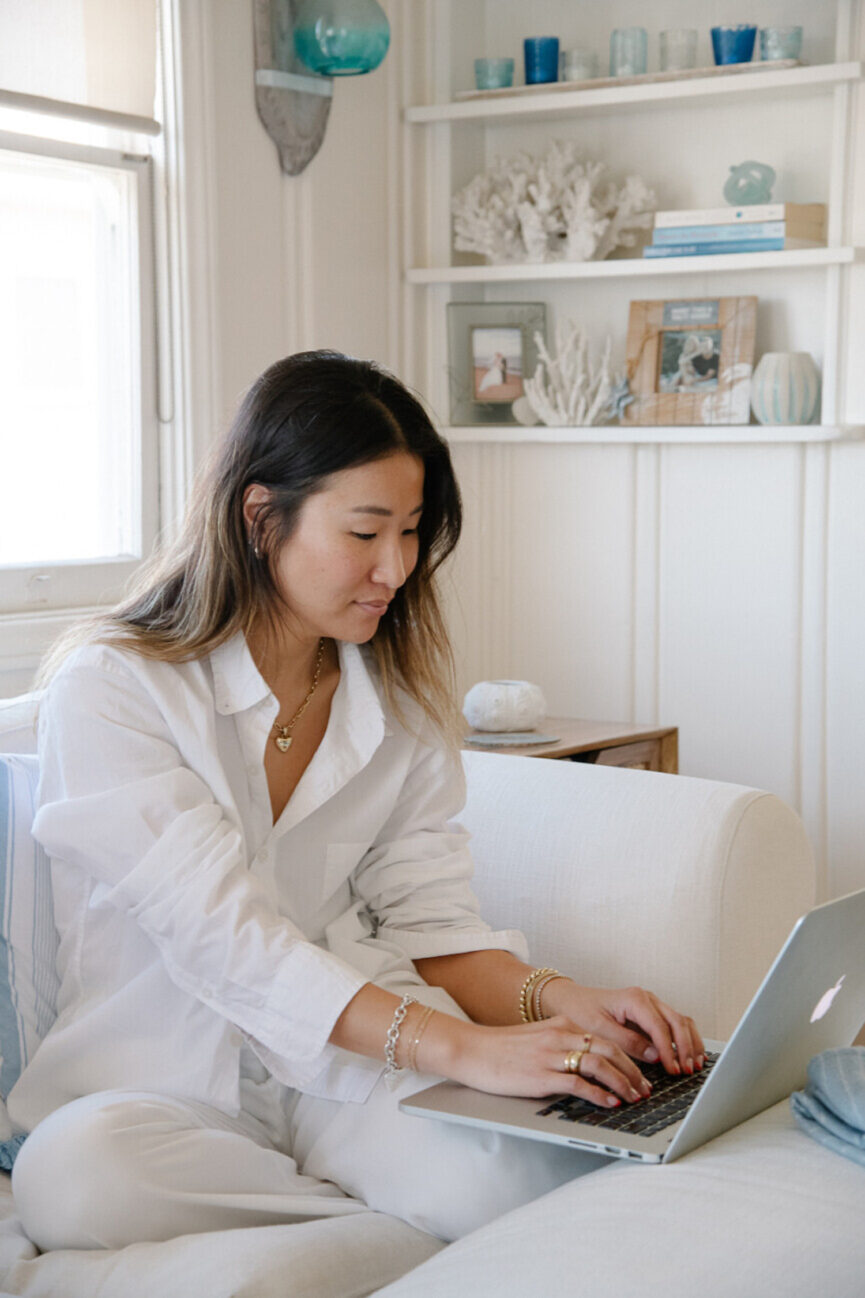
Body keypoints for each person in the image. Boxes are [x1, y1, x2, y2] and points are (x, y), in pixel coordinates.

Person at [8, 351, 704, 1252]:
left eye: (412, 532)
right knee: (75, 1182)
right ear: (261, 517)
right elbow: (224, 938)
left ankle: (378, 1230)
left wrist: (559, 999)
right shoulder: (116, 688)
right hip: (160, 1085)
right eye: (365, 532)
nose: (396, 569)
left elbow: (431, 928)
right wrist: (462, 1050)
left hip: (350, 1070)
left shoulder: (399, 703)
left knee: (521, 1180)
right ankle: (396, 1236)